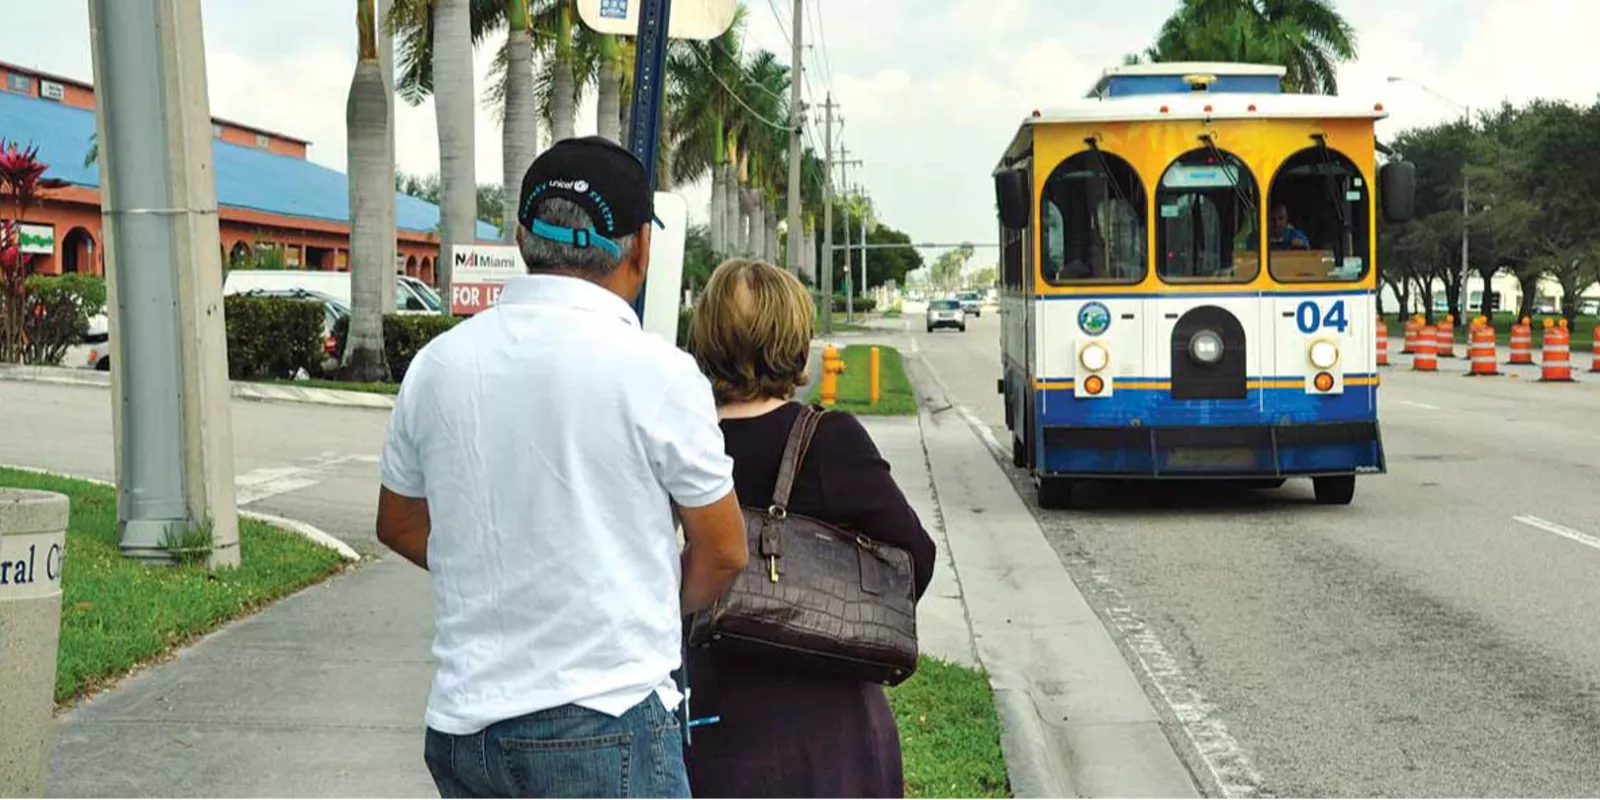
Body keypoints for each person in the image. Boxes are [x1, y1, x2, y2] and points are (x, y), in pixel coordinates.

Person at [375, 136, 749, 800]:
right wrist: (647, 604)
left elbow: (399, 523)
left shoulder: (438, 364)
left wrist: (504, 576)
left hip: (467, 731)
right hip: (606, 719)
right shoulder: (658, 373)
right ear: (641, 249)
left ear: (522, 235)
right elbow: (722, 550)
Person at [682, 258, 938, 800]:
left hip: (711, 718)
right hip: (830, 729)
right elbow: (913, 557)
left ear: (707, 337)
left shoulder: (680, 440)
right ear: (794, 339)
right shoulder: (830, 440)